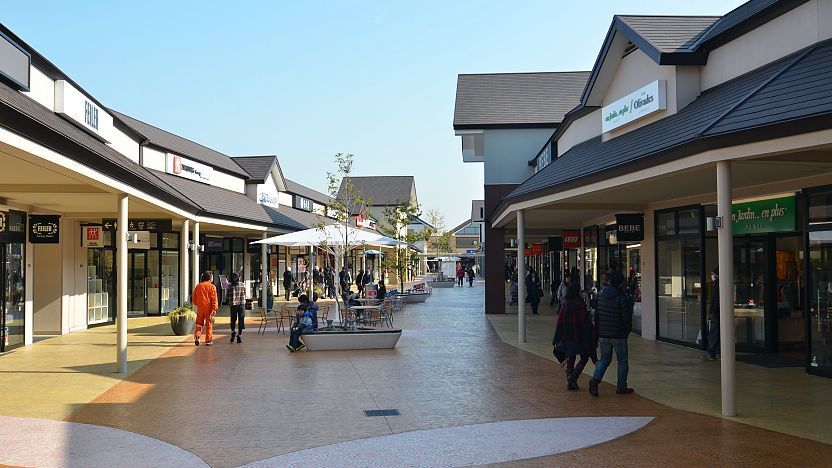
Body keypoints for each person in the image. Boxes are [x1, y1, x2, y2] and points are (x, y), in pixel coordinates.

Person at [589, 271, 634, 396]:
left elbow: (596, 315)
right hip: (619, 334)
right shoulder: (622, 297)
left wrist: (598, 330)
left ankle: (595, 380)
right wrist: (626, 331)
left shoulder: (599, 295)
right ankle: (621, 386)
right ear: (620, 284)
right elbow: (626, 318)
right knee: (622, 360)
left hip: (603, 333)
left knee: (604, 359)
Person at [553, 282, 598, 390]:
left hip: (568, 335)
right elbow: (584, 323)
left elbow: (560, 321)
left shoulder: (565, 302)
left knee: (571, 356)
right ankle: (573, 377)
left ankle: (570, 379)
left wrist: (557, 337)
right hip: (579, 335)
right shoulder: (580, 304)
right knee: (584, 357)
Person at [192, 270, 219, 346]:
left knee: (199, 323)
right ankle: (208, 340)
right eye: (212, 276)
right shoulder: (212, 287)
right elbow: (214, 299)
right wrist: (215, 309)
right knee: (208, 324)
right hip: (209, 309)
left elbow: (194, 298)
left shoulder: (198, 286)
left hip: (200, 308)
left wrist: (198, 304)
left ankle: (197, 336)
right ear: (210, 277)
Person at [702, 268, 721, 361]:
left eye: (713, 275)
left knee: (714, 332)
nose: (711, 276)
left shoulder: (718, 286)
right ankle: (717, 352)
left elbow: (716, 300)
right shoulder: (716, 285)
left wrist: (712, 311)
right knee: (716, 332)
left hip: (716, 313)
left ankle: (711, 352)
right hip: (716, 312)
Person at [227, 272, 246, 344]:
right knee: (241, 320)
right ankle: (239, 336)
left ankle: (233, 332)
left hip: (233, 305)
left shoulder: (229, 286)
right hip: (241, 304)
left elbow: (227, 295)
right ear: (239, 278)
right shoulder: (243, 285)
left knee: (233, 319)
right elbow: (244, 293)